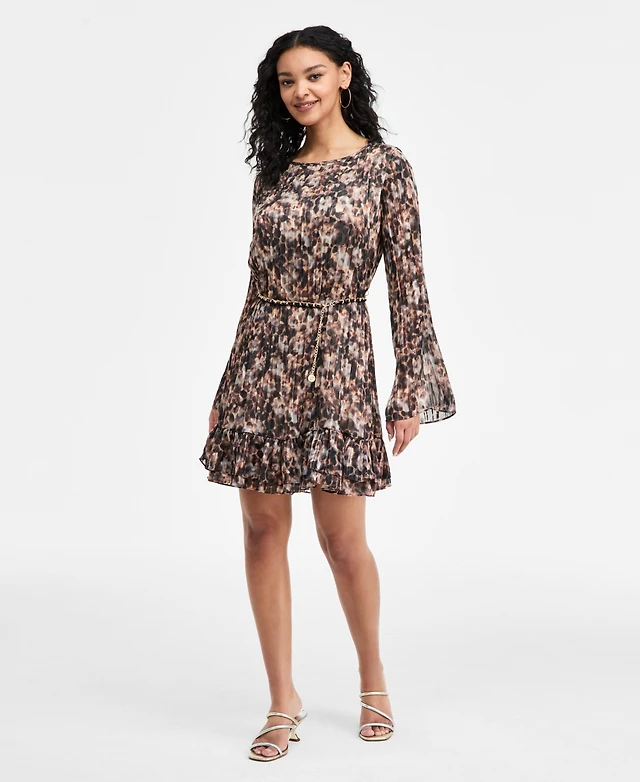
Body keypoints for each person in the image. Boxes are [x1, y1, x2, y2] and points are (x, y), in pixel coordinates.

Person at [199, 25, 457, 762]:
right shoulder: (274, 173)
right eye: (286, 81)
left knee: (342, 540)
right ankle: (282, 698)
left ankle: (373, 680)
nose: (300, 91)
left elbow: (408, 284)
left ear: (344, 75)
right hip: (262, 365)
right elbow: (256, 288)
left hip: (341, 359)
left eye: (313, 75)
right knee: (261, 532)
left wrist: (411, 387)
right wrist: (227, 384)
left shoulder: (385, 169)